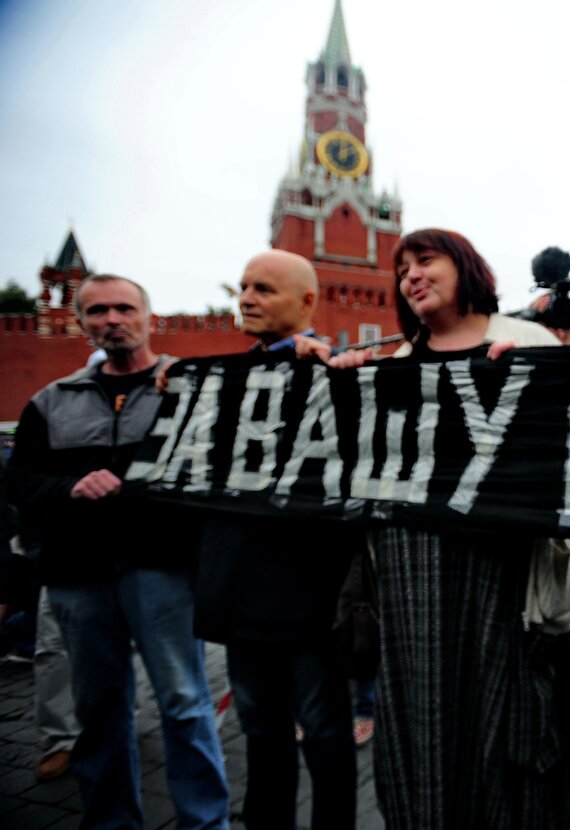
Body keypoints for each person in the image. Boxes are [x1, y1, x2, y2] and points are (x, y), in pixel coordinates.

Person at [328, 228, 570, 829]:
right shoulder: (395, 364)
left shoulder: (525, 340)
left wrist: (542, 374)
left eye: (426, 261)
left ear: (466, 268)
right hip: (410, 582)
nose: (411, 276)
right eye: (402, 269)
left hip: (502, 574)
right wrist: (341, 386)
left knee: (503, 723)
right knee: (424, 723)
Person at [7, 274, 229, 828]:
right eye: (98, 310)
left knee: (184, 703)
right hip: (79, 576)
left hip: (164, 571)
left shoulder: (187, 389)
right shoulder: (50, 402)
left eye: (124, 308)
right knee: (99, 713)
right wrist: (68, 488)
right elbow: (20, 483)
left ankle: (205, 822)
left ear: (148, 317)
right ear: (80, 323)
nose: (113, 319)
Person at [193, 250, 358, 830]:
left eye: (263, 288)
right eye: (242, 287)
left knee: (326, 733)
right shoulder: (218, 385)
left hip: (310, 596)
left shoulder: (338, 376)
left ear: (307, 302)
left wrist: (321, 360)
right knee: (261, 732)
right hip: (238, 592)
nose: (245, 298)